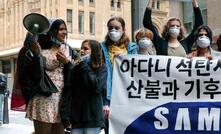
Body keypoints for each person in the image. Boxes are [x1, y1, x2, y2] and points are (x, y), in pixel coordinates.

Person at [17, 18, 73, 134]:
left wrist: (67, 63)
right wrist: (37, 55)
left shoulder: (68, 49)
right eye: (60, 29)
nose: (64, 32)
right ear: (51, 31)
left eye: (65, 29)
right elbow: (30, 73)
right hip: (44, 97)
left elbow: (73, 73)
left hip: (62, 100)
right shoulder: (40, 48)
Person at [60, 39, 107, 134]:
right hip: (76, 119)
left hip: (93, 119)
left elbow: (96, 87)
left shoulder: (101, 68)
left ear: (94, 51)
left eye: (85, 48)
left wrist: (84, 66)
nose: (81, 51)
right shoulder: (75, 68)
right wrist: (65, 116)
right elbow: (68, 92)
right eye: (81, 48)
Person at [100, 16, 138, 134]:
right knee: (110, 128)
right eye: (110, 28)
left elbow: (137, 70)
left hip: (127, 93)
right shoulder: (102, 48)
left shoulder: (132, 48)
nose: (113, 31)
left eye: (117, 28)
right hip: (110, 95)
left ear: (123, 30)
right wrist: (105, 103)